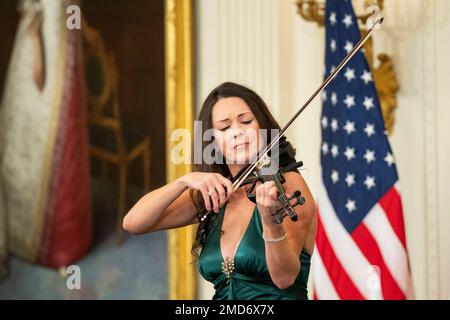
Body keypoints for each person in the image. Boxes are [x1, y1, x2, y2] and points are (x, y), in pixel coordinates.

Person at [123, 82, 316, 300]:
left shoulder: (287, 185)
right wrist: (183, 182)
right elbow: (133, 223)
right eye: (224, 128)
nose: (237, 132)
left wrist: (271, 223)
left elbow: (284, 278)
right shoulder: (216, 193)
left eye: (246, 121)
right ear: (212, 141)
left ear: (262, 127)